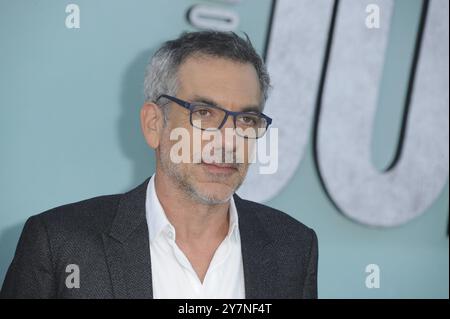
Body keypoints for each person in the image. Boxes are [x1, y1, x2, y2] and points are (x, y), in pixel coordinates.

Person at [1, 31, 318, 299]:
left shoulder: (293, 247)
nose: (229, 141)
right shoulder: (61, 244)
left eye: (246, 119)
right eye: (204, 113)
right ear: (154, 124)